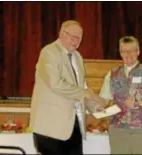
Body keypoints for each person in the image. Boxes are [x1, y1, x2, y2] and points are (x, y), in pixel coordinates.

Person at [29, 20, 106, 155]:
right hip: (51, 128)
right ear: (61, 34)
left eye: (79, 38)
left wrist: (95, 107)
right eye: (73, 36)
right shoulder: (49, 52)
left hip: (74, 126)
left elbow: (81, 88)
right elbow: (55, 83)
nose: (76, 41)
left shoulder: (78, 57)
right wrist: (86, 93)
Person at [99, 36, 142, 154]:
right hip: (118, 130)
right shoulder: (112, 74)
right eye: (124, 51)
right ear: (120, 53)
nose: (128, 54)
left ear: (138, 52)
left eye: (132, 50)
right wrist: (90, 102)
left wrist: (138, 103)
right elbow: (104, 101)